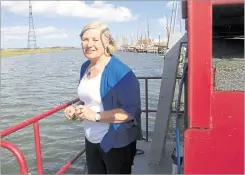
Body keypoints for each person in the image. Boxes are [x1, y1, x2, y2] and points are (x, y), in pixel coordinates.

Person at [64, 21, 142, 174]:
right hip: (91, 138)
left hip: (115, 142)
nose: (89, 44)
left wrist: (95, 116)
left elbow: (130, 112)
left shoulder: (122, 73)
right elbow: (89, 98)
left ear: (106, 41)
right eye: (85, 39)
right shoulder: (85, 67)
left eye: (94, 39)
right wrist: (75, 107)